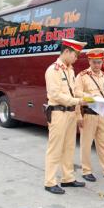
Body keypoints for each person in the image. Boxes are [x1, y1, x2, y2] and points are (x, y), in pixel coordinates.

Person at [44, 38, 88, 194]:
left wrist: (88, 98)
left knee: (69, 148)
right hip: (58, 113)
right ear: (67, 52)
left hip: (70, 113)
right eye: (75, 55)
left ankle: (67, 178)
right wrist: (78, 100)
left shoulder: (70, 70)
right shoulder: (53, 70)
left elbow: (74, 91)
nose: (76, 59)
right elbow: (55, 95)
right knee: (55, 148)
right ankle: (50, 182)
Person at [75, 48, 104, 182]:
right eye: (94, 62)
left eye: (99, 62)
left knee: (103, 143)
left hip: (101, 114)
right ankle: (86, 171)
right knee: (86, 144)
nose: (97, 65)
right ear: (89, 61)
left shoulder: (103, 76)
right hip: (88, 114)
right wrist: (89, 102)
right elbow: (77, 94)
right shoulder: (82, 76)